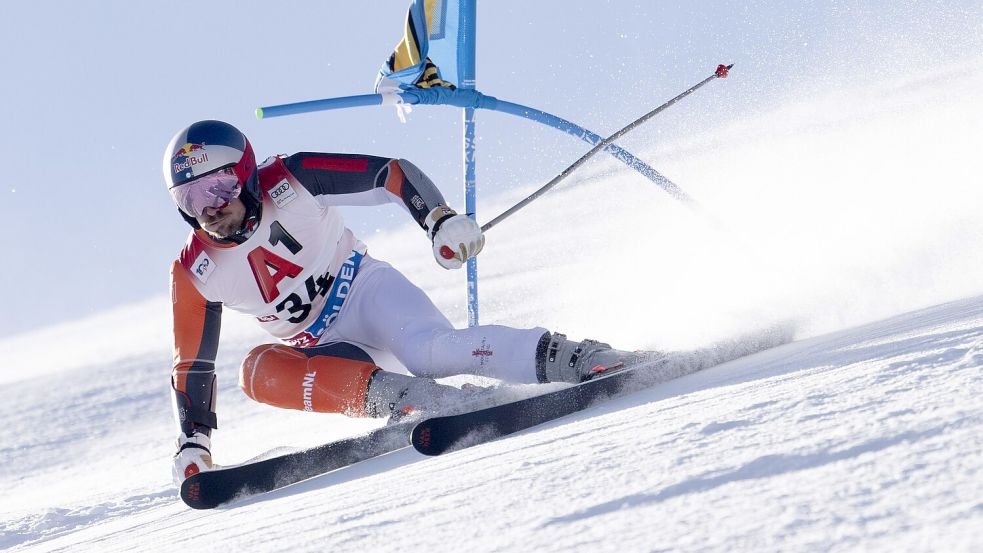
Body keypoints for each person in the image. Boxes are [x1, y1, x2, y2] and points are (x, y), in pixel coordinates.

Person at [164, 120, 643, 483]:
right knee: (255, 372)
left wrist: (438, 220)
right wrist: (193, 441)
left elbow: (389, 174)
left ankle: (581, 358)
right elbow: (192, 364)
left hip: (369, 295)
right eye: (190, 197)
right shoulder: (194, 271)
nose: (210, 207)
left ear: (245, 175)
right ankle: (416, 402)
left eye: (219, 186)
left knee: (427, 351)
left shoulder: (293, 179)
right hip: (331, 354)